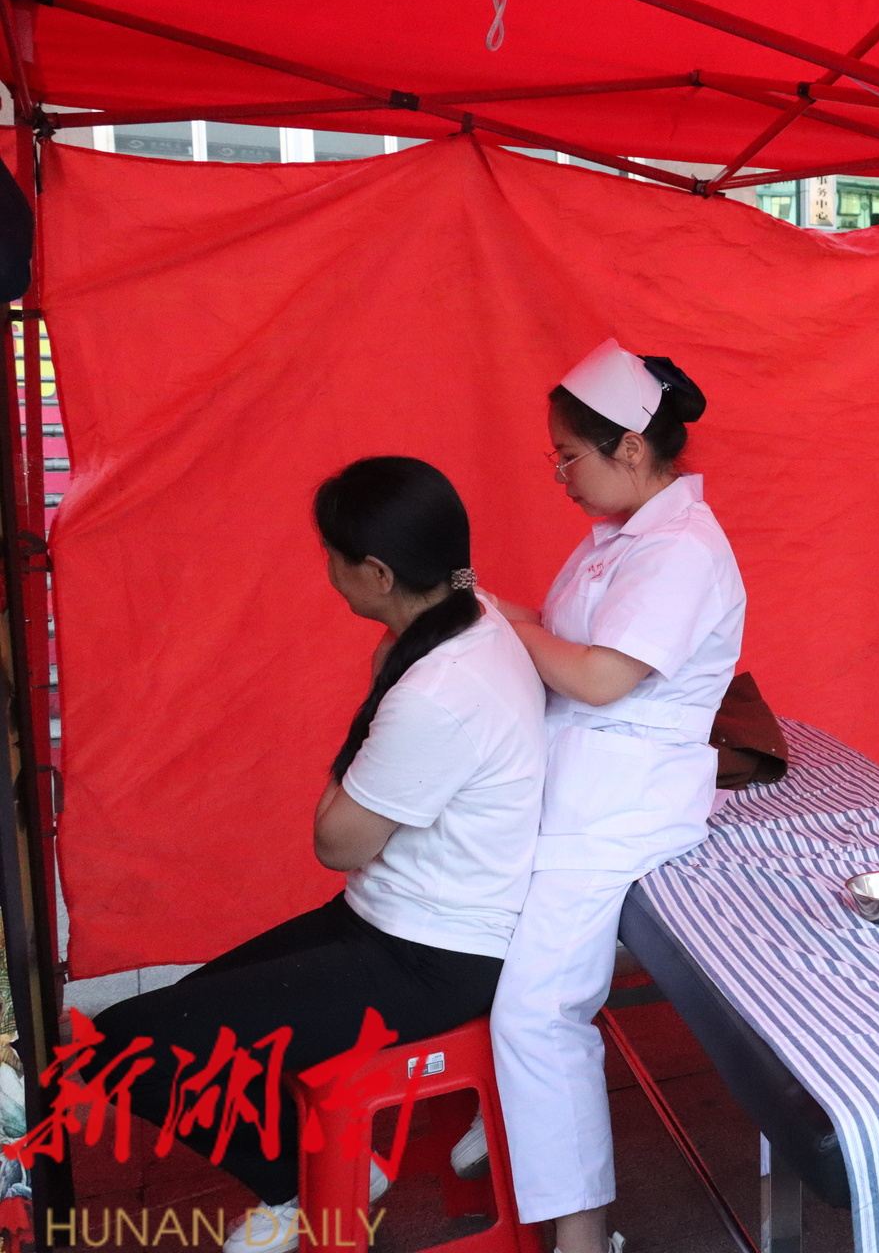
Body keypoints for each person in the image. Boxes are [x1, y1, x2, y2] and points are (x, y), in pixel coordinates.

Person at [90, 457, 547, 1253]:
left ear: (377, 573)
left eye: (333, 556)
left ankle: (303, 1184)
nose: (328, 572)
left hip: (435, 955)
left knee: (124, 1046)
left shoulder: (435, 691)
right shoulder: (475, 612)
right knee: (173, 1021)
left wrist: (368, 719)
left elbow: (336, 842)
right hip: (386, 920)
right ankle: (331, 1166)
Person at [486, 339, 745, 1253]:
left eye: (568, 457)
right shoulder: (621, 538)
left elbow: (598, 677)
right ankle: (507, 1119)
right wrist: (468, 598)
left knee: (538, 1011)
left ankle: (584, 1236)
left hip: (623, 802)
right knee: (485, 958)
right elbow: (558, 631)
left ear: (630, 448)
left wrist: (505, 631)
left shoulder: (680, 550)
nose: (559, 475)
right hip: (575, 787)